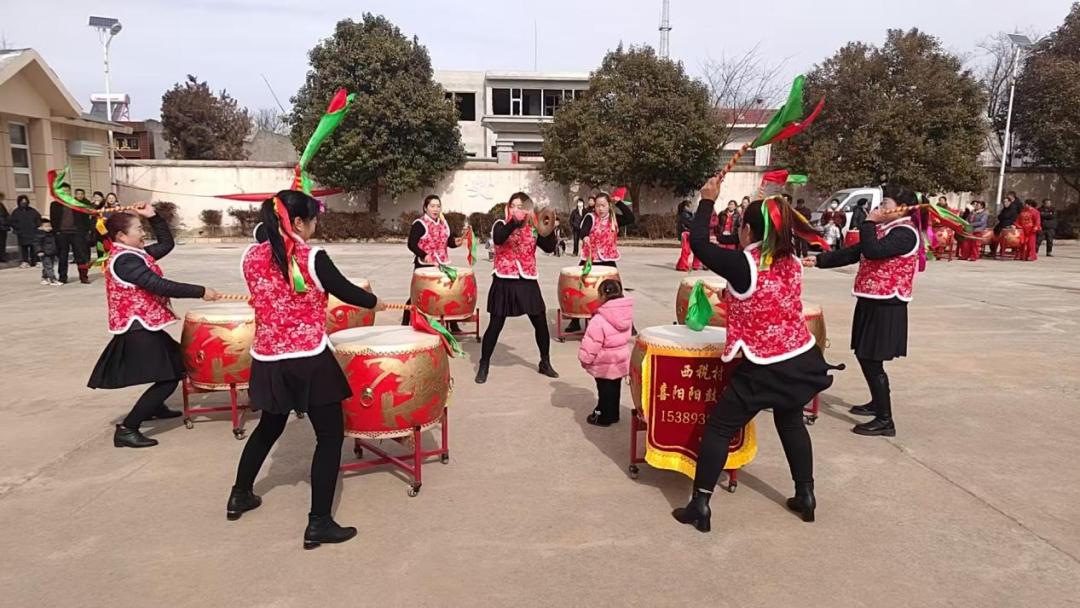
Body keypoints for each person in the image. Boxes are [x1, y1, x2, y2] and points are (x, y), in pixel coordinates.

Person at [671, 179, 837, 533]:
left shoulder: (744, 264)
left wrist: (707, 200)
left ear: (746, 230)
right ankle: (805, 495)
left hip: (765, 366)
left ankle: (700, 505)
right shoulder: (791, 259)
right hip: (800, 356)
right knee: (790, 421)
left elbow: (698, 243)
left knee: (720, 427)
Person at [230, 189, 384, 549]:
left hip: (268, 359)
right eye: (312, 219)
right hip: (308, 359)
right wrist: (375, 302)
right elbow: (348, 291)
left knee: (268, 428)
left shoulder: (250, 256)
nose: (315, 226)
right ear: (297, 222)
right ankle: (319, 522)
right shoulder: (312, 257)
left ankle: (240, 494)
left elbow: (267, 240)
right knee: (329, 436)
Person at [88, 204, 219, 449]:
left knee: (179, 364)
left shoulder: (135, 254)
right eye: (138, 229)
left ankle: (154, 406)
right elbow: (158, 285)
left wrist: (154, 217)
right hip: (136, 328)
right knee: (169, 377)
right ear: (121, 236)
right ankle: (128, 428)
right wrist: (200, 291)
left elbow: (166, 244)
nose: (143, 233)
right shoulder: (125, 260)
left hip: (144, 325)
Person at [805, 186, 922, 438]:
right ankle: (876, 402)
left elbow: (872, 251)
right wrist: (819, 261)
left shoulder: (905, 233)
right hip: (871, 300)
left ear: (901, 209)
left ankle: (885, 420)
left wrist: (868, 222)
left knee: (871, 358)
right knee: (864, 354)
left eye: (885, 203)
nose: (879, 207)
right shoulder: (885, 229)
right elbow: (855, 252)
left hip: (887, 305)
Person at [475, 192, 560, 384]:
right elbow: (499, 239)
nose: (516, 209)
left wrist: (549, 229)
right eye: (513, 206)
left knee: (540, 322)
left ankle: (545, 362)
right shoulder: (500, 224)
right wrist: (514, 221)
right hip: (504, 279)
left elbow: (549, 248)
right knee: (496, 324)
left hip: (527, 280)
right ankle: (483, 363)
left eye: (521, 206)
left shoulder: (533, 228)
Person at [565, 191, 636, 333]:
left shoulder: (614, 219)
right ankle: (575, 321)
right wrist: (585, 237)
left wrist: (619, 203)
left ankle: (627, 323)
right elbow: (584, 231)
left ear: (609, 205)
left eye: (603, 205)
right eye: (598, 205)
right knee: (579, 287)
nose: (600, 209)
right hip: (590, 258)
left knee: (616, 290)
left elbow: (630, 218)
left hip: (608, 259)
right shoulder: (590, 217)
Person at [577, 278, 634, 426]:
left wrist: (585, 359)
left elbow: (592, 344)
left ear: (602, 295)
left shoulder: (599, 320)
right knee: (615, 389)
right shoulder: (626, 315)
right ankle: (614, 414)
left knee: (604, 392)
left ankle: (603, 417)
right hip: (620, 360)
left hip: (604, 363)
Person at [403, 195, 463, 327]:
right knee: (420, 294)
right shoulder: (420, 224)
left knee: (447, 293)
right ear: (425, 208)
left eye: (438, 206)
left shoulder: (443, 223)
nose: (436, 209)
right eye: (432, 206)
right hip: (425, 265)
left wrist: (455, 243)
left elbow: (446, 241)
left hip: (442, 264)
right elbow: (411, 244)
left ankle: (452, 324)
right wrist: (423, 255)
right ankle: (405, 321)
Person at [50, 184, 94, 284]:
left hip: (77, 233)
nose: (66, 193)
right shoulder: (55, 204)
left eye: (67, 191)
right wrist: (56, 232)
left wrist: (86, 231)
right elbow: (53, 219)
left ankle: (83, 276)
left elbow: (85, 218)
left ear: (70, 192)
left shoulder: (76, 203)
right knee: (62, 256)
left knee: (80, 256)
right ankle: (62, 277)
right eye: (63, 191)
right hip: (62, 233)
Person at [10, 194, 41, 267]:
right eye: (22, 202)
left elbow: (38, 219)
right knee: (24, 248)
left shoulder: (32, 211)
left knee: (33, 247)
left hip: (32, 232)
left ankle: (35, 261)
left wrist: (36, 226)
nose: (24, 203)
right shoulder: (16, 212)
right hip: (22, 233)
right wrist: (17, 228)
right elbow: (12, 222)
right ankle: (25, 261)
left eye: (25, 201)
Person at [990, 191, 1021, 257]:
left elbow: (1007, 216)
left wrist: (1002, 217)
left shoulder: (1013, 208)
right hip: (1001, 225)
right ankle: (993, 251)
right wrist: (1002, 217)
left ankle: (1001, 251)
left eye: (1006, 202)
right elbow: (1000, 216)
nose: (1004, 203)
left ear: (1010, 202)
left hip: (1007, 227)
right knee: (994, 237)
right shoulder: (1005, 208)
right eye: (1003, 202)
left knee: (1003, 239)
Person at [675, 200, 701, 271]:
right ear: (686, 207)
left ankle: (680, 265)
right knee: (686, 250)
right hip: (685, 233)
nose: (691, 207)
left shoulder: (688, 214)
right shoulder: (685, 214)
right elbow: (691, 222)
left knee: (687, 250)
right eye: (690, 206)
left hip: (688, 233)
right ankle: (683, 266)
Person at [34, 218, 60, 285]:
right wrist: (39, 251)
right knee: (49, 267)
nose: (48, 228)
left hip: (52, 252)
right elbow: (37, 244)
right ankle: (52, 279)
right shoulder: (39, 235)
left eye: (49, 226)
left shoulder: (52, 234)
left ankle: (44, 278)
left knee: (48, 266)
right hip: (44, 253)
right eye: (46, 226)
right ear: (40, 227)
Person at [0, 192, 9, 263]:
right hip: (2, 227)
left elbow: (6, 216)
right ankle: (2, 257)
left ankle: (2, 257)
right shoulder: (1, 206)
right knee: (2, 243)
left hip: (3, 227)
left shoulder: (2, 205)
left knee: (2, 243)